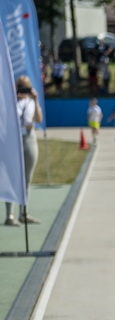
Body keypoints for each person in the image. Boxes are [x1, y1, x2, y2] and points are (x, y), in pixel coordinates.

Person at [5, 76, 43, 226]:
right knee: (12, 178)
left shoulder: (31, 102)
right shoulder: (11, 102)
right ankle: (9, 214)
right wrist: (13, 98)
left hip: (29, 139)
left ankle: (24, 212)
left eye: (25, 88)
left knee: (26, 179)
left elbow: (38, 119)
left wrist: (35, 99)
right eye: (20, 87)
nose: (23, 91)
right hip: (14, 140)